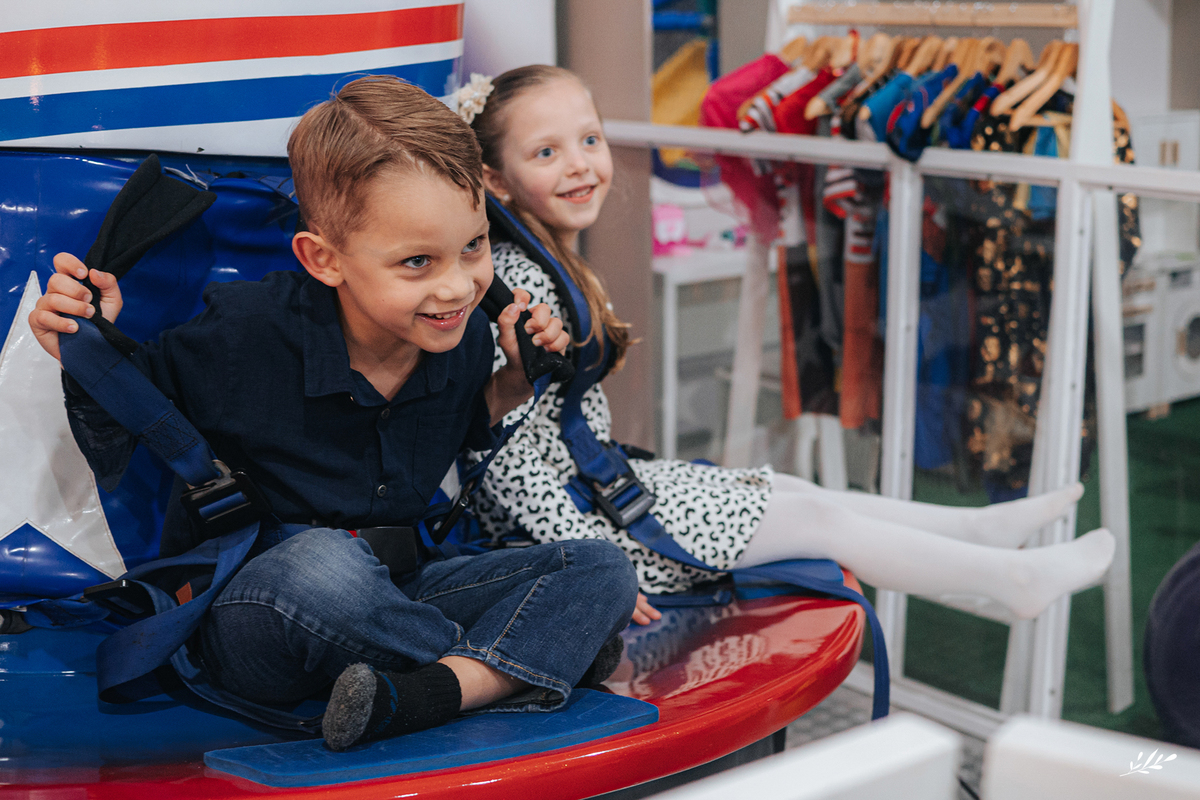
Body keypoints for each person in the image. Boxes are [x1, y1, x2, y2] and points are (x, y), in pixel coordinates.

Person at [28, 75, 639, 752]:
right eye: (417, 262)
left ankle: (432, 692)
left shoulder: (462, 338)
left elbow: (465, 431)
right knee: (320, 565)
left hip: (396, 597)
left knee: (598, 568)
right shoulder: (244, 333)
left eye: (473, 248)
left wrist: (517, 378)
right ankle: (514, 666)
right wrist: (91, 341)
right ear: (324, 259)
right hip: (262, 609)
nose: (458, 284)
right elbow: (123, 420)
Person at [464, 64, 1115, 624]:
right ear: (496, 182)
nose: (580, 164)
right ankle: (1014, 580)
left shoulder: (547, 262)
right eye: (546, 153)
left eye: (589, 139)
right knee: (816, 523)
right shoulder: (521, 288)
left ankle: (980, 532)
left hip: (595, 495)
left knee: (799, 491)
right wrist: (595, 568)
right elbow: (508, 466)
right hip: (569, 534)